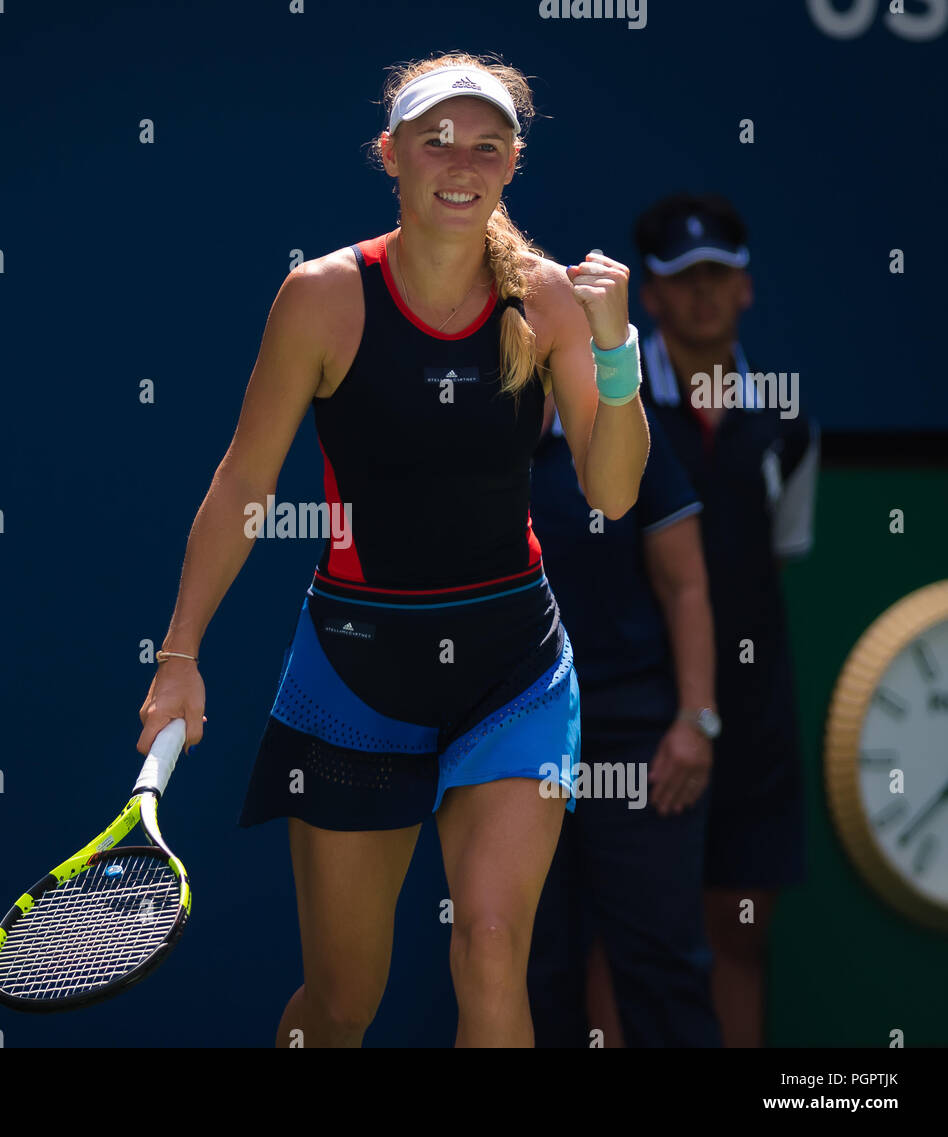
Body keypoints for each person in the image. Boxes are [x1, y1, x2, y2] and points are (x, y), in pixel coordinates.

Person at [136, 51, 650, 1048]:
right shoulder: (321, 297)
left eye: (486, 147)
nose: (460, 162)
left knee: (492, 945)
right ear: (392, 155)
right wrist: (180, 654)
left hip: (514, 674)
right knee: (340, 1005)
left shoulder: (548, 304)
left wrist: (615, 349)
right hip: (356, 677)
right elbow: (246, 483)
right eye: (435, 141)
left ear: (511, 167)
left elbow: (615, 490)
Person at [629, 192, 820, 1047]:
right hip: (629, 718)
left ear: (745, 289)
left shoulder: (789, 426)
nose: (704, 296)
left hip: (753, 724)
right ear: (651, 296)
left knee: (738, 933)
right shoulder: (612, 413)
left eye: (720, 277)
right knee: (621, 937)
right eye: (683, 279)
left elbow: (773, 557)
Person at [526, 390, 722, 1047]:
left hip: (636, 733)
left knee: (661, 961)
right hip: (512, 738)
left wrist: (696, 719)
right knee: (528, 965)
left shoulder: (622, 428)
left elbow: (685, 583)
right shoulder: (471, 433)